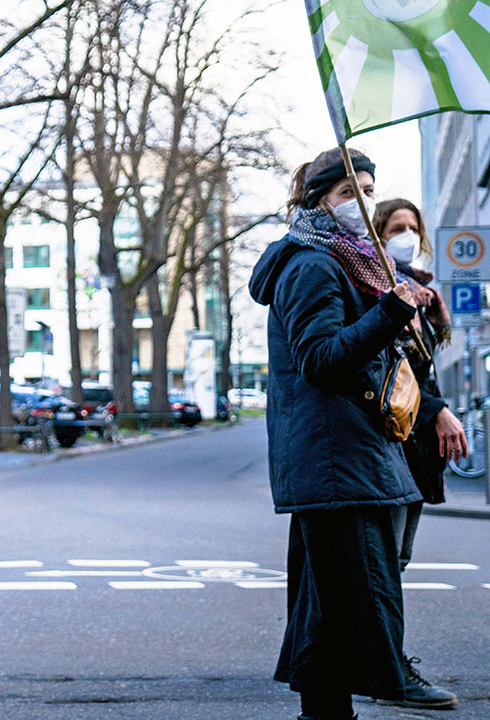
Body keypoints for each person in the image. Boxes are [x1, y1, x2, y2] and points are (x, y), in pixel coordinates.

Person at [248, 147, 456, 719]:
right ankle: (388, 675)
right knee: (365, 583)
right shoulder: (312, 264)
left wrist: (406, 313)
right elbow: (320, 359)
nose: (361, 201)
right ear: (318, 202)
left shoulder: (347, 261)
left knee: (326, 597)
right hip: (336, 456)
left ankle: (323, 707)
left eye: (368, 189)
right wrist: (389, 311)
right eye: (348, 193)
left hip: (344, 452)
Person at [370, 198, 463, 710]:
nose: (406, 234)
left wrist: (438, 317)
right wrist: (440, 411)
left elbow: (422, 366)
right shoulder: (380, 285)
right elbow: (391, 371)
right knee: (385, 561)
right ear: (378, 234)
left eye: (412, 227)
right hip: (395, 438)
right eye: (395, 227)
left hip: (415, 441)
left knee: (396, 560)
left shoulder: (421, 288)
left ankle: (384, 663)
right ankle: (387, 667)